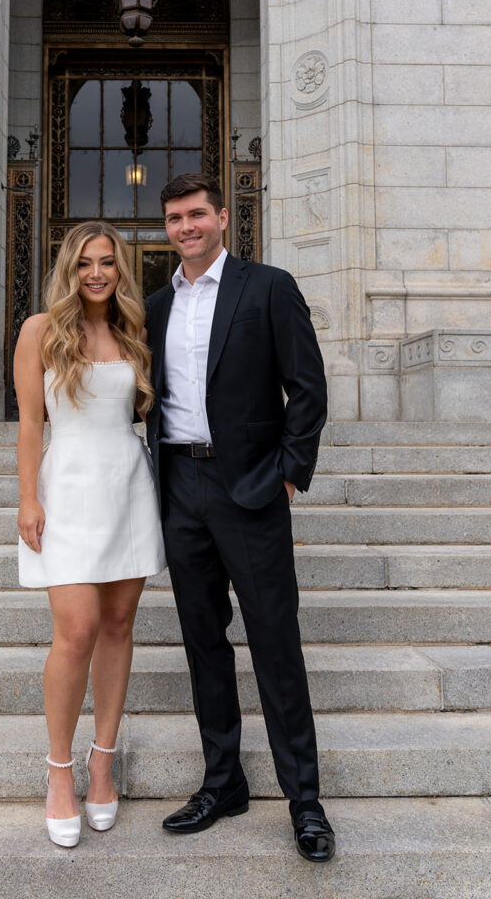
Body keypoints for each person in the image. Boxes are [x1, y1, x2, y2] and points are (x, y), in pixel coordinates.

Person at [144, 173, 335, 863]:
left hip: (249, 486)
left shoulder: (268, 287)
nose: (185, 226)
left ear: (222, 218)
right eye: (173, 218)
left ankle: (304, 801)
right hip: (180, 486)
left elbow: (307, 390)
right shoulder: (157, 305)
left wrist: (286, 474)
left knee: (274, 643)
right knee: (203, 641)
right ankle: (222, 782)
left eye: (196, 214)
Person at [14, 221, 165, 849]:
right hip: (68, 486)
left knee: (119, 625)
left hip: (128, 484)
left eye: (107, 262)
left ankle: (103, 763)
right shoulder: (40, 330)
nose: (97, 273)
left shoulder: (133, 330)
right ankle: (58, 773)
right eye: (84, 263)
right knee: (74, 631)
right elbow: (28, 423)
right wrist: (28, 497)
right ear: (69, 270)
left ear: (120, 270)